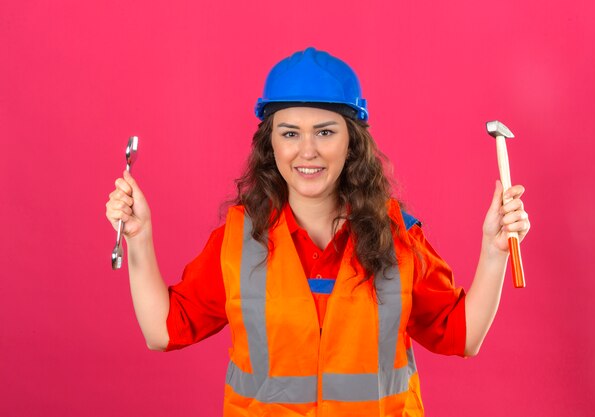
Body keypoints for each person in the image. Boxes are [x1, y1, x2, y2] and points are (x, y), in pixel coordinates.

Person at [105, 47, 530, 417]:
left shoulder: (397, 236)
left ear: (352, 142)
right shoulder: (238, 241)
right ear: (270, 144)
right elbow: (162, 331)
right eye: (290, 133)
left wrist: (493, 252)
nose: (307, 150)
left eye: (325, 132)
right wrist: (139, 239)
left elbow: (463, 335)